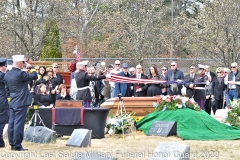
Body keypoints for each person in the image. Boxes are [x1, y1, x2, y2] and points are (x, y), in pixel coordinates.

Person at [4, 55, 37, 151]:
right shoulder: (20, 74)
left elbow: (7, 89)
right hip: (21, 102)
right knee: (18, 123)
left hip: (13, 101)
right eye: (22, 63)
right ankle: (17, 145)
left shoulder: (7, 74)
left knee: (12, 123)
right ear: (19, 63)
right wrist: (31, 68)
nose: (23, 64)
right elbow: (34, 76)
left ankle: (12, 144)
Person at [0, 58, 9, 148]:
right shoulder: (2, 76)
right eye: (5, 66)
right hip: (2, 102)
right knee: (1, 123)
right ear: (2, 66)